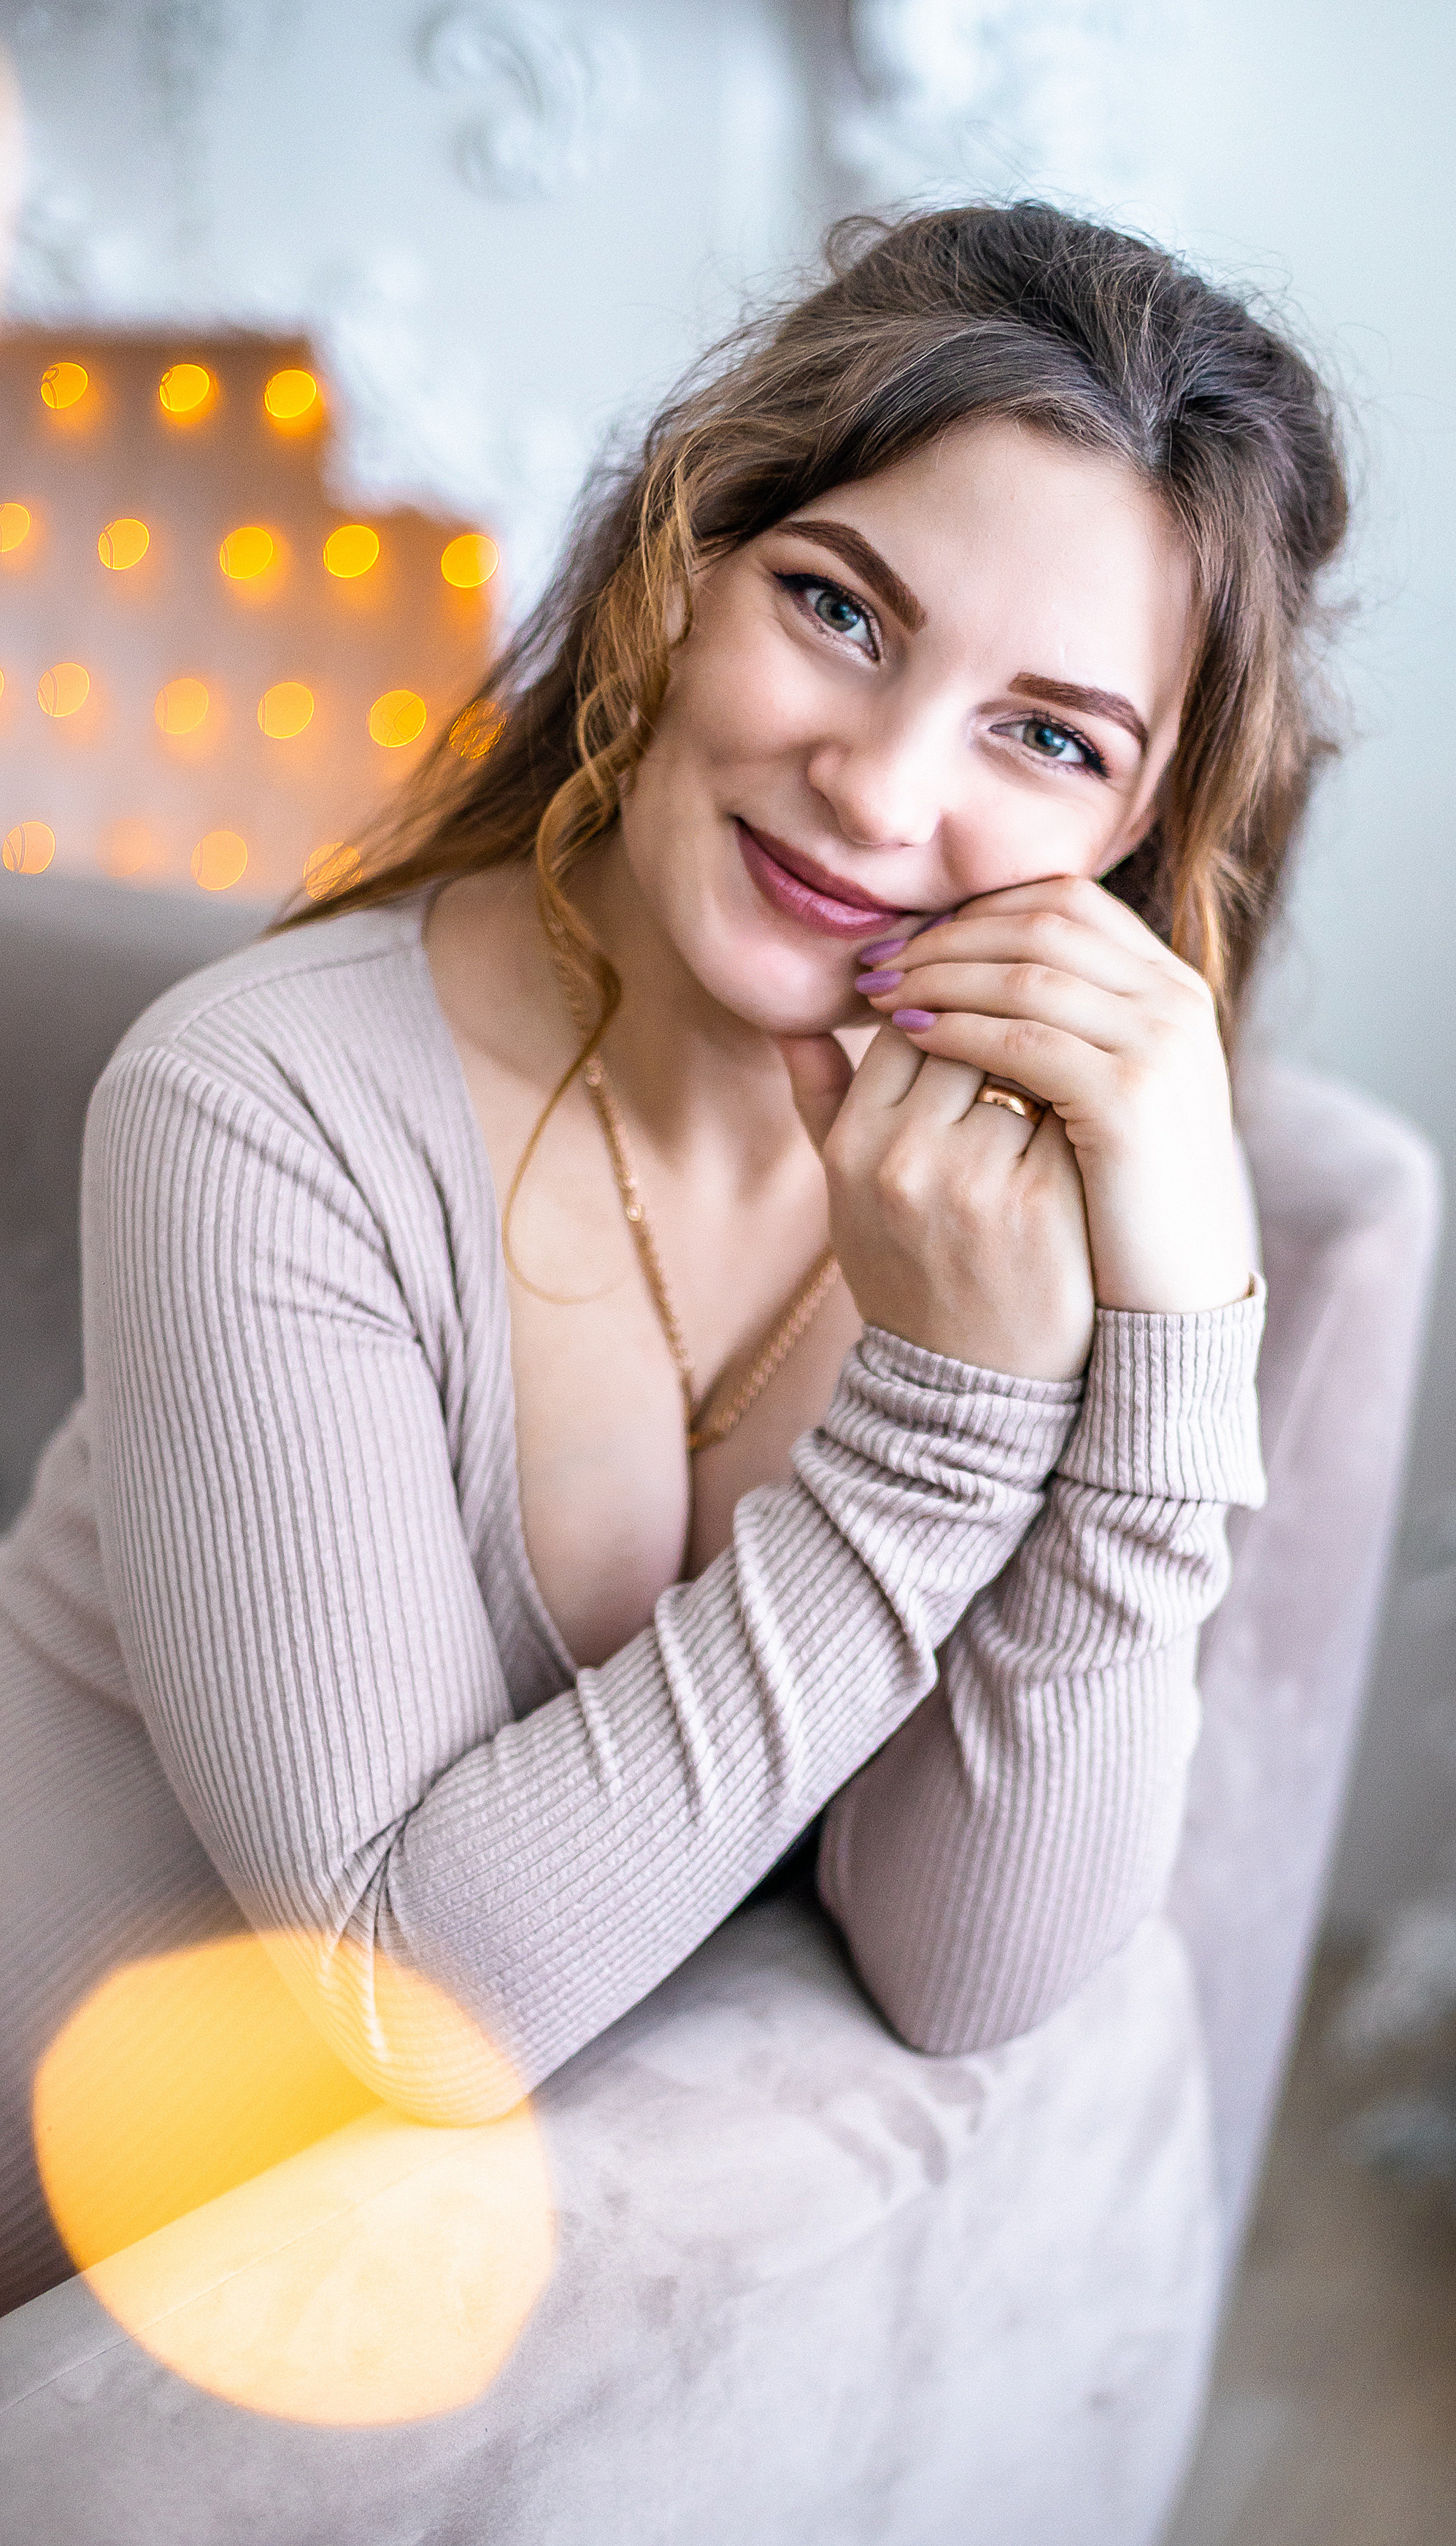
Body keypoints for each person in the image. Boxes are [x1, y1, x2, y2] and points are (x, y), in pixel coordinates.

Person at [0, 201, 1347, 2313]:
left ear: (1134, 846)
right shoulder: (255, 1099)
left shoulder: (1006, 1203)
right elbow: (394, 2004)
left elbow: (964, 1961)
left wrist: (1173, 1317)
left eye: (1048, 733)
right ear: (675, 574)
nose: (880, 785)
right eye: (836, 607)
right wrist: (935, 1436)